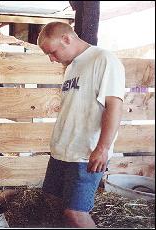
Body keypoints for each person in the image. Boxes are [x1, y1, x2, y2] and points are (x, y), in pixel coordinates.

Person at [37, 22, 125, 227]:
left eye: (52, 52)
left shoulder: (103, 59)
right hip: (63, 150)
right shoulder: (71, 68)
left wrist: (102, 148)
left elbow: (114, 106)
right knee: (54, 200)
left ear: (66, 39)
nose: (51, 59)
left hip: (86, 153)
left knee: (75, 213)